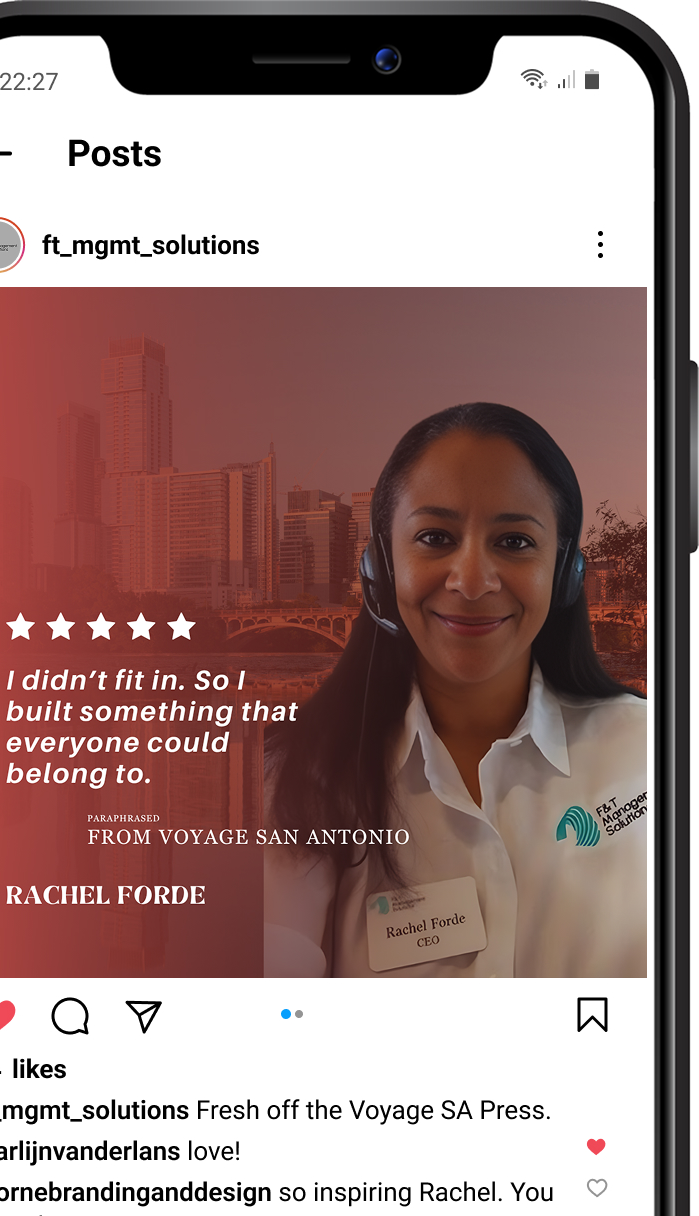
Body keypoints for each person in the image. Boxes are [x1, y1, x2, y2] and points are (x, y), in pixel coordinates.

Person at [264, 402, 646, 977]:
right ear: (381, 570)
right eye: (435, 537)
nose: (471, 582)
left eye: (514, 542)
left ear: (565, 571)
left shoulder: (660, 753)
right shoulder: (298, 779)